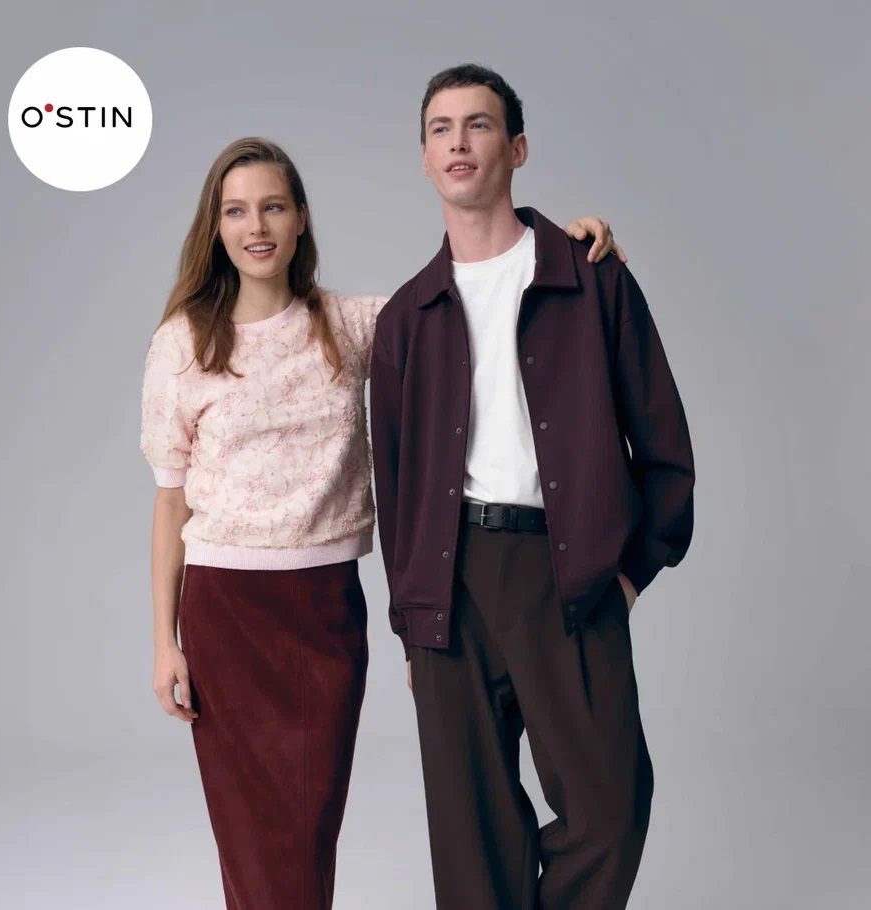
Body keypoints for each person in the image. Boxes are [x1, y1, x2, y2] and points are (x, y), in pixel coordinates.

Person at [139, 135, 624, 910]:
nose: (255, 226)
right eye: (235, 211)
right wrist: (166, 642)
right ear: (215, 226)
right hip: (226, 613)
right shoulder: (182, 343)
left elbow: (474, 299)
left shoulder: (354, 324)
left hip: (325, 614)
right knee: (253, 842)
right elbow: (171, 503)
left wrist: (564, 248)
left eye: (273, 206)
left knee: (308, 832)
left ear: (301, 218)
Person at [369, 63, 696, 910]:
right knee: (471, 836)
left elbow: (664, 446)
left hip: (569, 575)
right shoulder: (406, 317)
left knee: (610, 812)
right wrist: (411, 622)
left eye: (478, 125)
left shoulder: (592, 277)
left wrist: (628, 577)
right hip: (449, 584)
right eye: (440, 129)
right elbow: (395, 489)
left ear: (516, 149)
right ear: (424, 158)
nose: (458, 143)